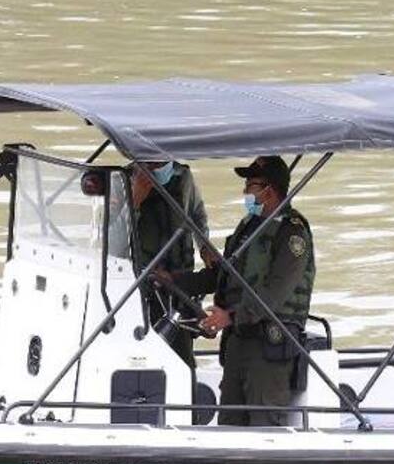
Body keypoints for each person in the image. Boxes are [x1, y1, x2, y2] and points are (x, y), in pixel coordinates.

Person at [172, 156, 315, 426]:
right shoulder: (249, 228)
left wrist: (230, 317)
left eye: (250, 186)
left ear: (269, 191)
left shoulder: (292, 234)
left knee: (263, 423)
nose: (245, 192)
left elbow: (275, 291)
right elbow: (223, 276)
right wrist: (175, 281)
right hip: (238, 342)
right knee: (229, 422)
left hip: (268, 346)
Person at [131, 160, 211, 366]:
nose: (157, 161)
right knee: (142, 359)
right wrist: (135, 199)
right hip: (143, 289)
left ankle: (185, 394)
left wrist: (204, 245)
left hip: (179, 286)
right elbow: (113, 238)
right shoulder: (124, 179)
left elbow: (198, 214)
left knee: (182, 360)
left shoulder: (183, 177)